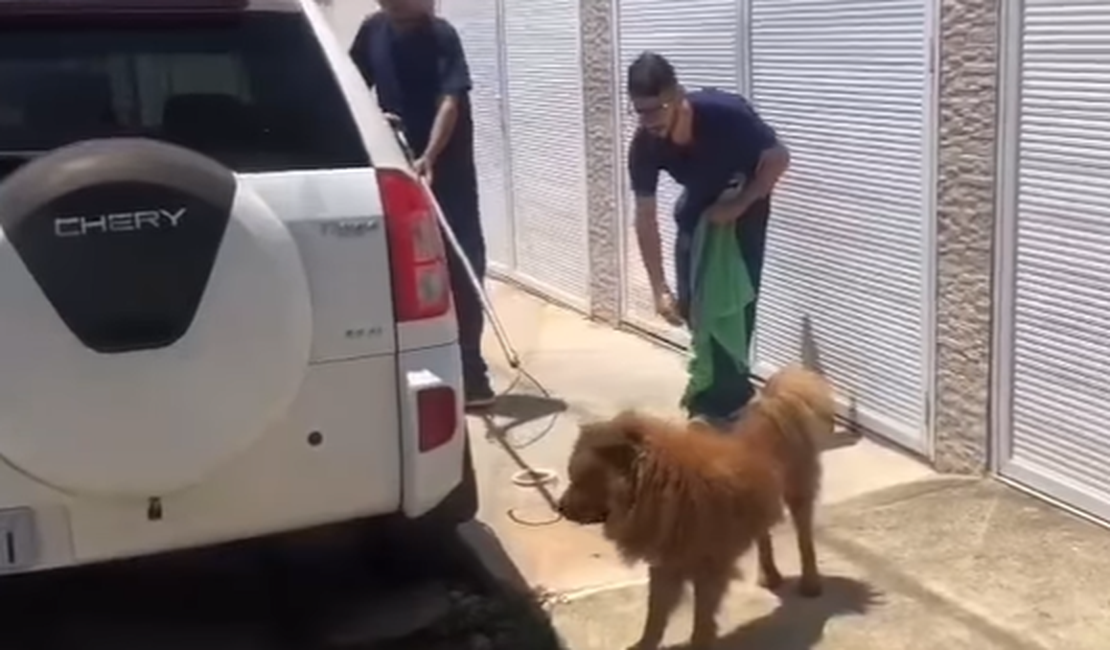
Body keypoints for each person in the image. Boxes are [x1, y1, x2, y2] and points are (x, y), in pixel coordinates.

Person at [626, 51, 790, 426]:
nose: (650, 121)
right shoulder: (645, 146)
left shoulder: (724, 115)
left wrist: (742, 203)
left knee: (734, 304)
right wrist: (658, 288)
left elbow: (778, 156)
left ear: (679, 95)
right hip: (698, 212)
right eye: (641, 111)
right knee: (693, 306)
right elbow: (645, 216)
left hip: (744, 209)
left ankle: (725, 403)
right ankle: (712, 392)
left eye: (658, 109)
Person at [349, 0, 495, 409]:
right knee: (404, 271)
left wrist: (429, 156)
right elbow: (354, 88)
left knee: (462, 267)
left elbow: (451, 102)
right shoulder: (372, 31)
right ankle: (415, 366)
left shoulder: (441, 36)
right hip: (396, 169)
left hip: (447, 176)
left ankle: (471, 368)